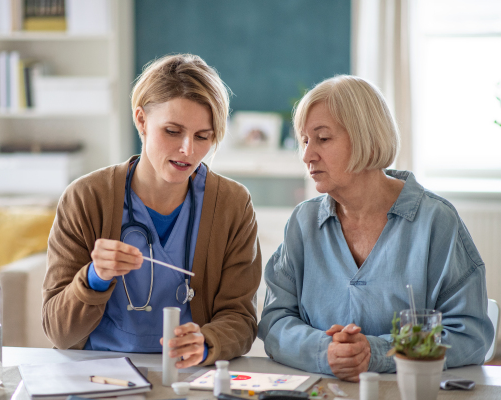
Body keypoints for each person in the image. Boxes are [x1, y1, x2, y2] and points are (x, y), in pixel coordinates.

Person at [258, 75, 494, 381]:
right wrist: (325, 350)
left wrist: (377, 352)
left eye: (323, 138)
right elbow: (275, 321)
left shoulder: (436, 221)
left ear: (364, 137)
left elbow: (470, 335)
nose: (307, 155)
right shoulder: (303, 224)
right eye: (304, 140)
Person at [42, 54, 262, 367]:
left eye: (203, 136)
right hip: (96, 372)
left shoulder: (232, 204)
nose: (188, 149)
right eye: (173, 131)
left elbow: (241, 320)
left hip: (187, 374)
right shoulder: (86, 198)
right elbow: (58, 332)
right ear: (141, 120)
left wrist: (208, 342)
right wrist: (95, 277)